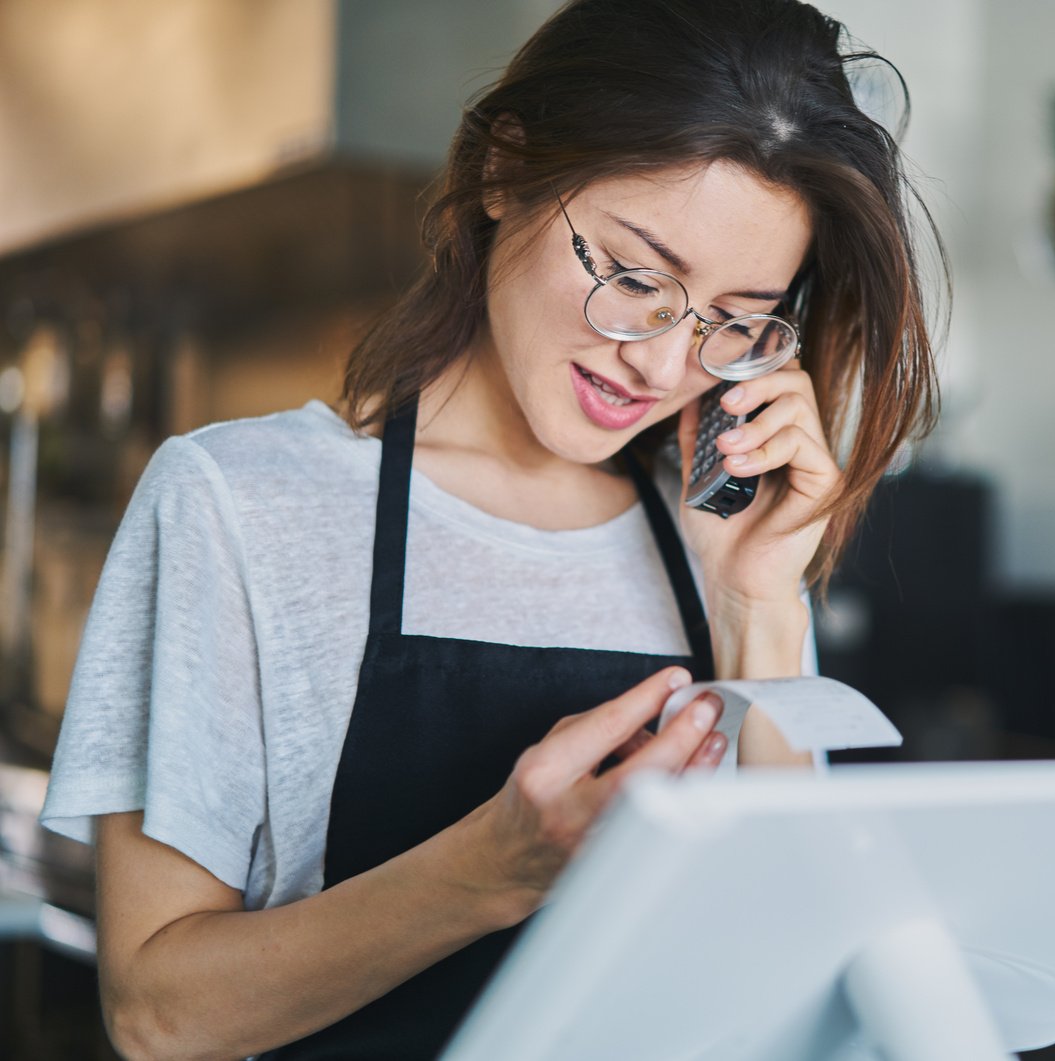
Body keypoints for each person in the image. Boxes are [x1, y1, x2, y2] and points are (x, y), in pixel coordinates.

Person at [39, 0, 943, 1056]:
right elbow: (158, 1014)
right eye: (636, 276)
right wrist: (485, 871)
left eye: (736, 321)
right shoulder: (239, 501)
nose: (659, 361)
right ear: (503, 170)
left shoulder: (726, 545)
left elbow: (796, 980)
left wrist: (758, 612)